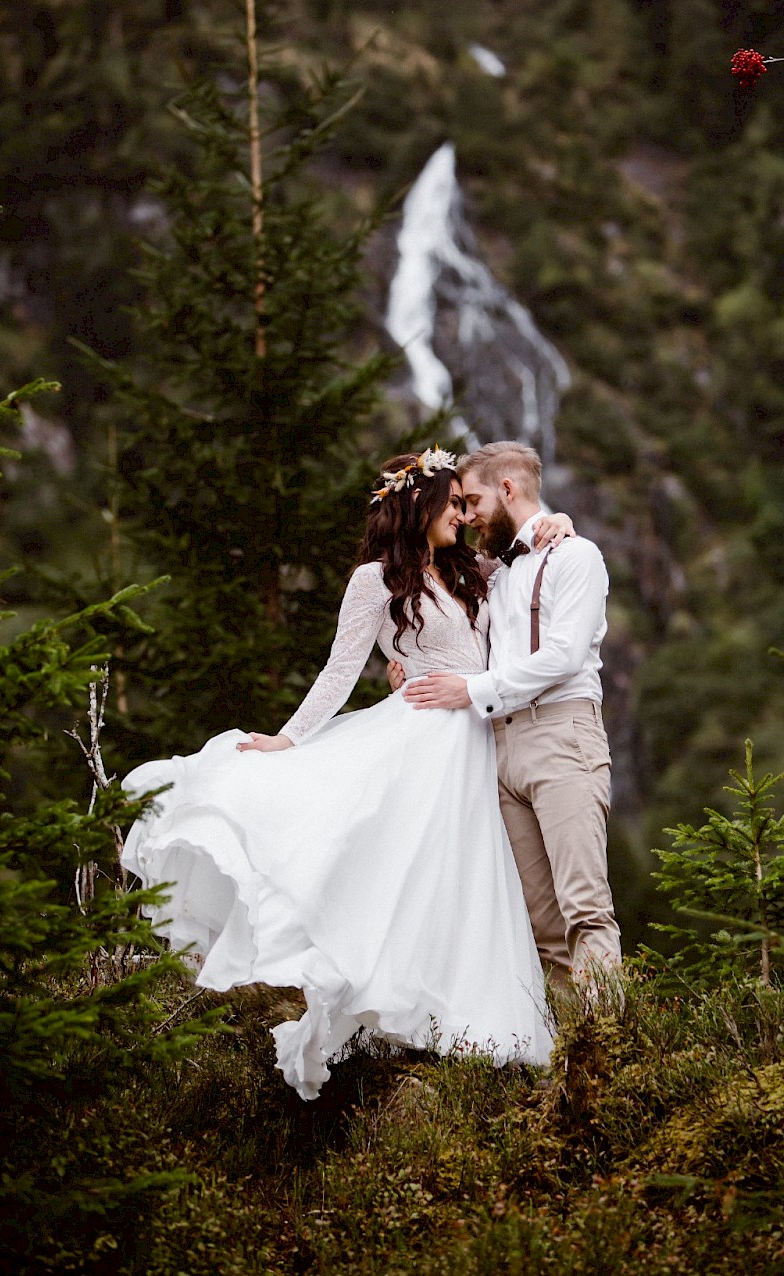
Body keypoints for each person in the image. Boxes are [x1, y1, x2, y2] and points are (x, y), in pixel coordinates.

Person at [121, 448, 572, 1101]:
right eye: (450, 502)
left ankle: (476, 1027)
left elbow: (532, 565)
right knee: (402, 877)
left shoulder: (475, 568)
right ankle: (405, 1018)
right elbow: (339, 671)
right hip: (418, 743)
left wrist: (555, 523)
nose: (460, 514)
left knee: (467, 881)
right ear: (417, 504)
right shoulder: (376, 580)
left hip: (477, 743)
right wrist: (288, 738)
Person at [400, 441, 621, 989]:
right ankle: (572, 1060)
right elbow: (426, 586)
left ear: (507, 490)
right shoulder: (494, 573)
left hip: (563, 735)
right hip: (498, 750)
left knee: (585, 910)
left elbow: (564, 655)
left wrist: (473, 689)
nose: (468, 516)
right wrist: (406, 662)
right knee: (542, 926)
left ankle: (616, 1057)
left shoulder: (576, 557)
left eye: (473, 502)